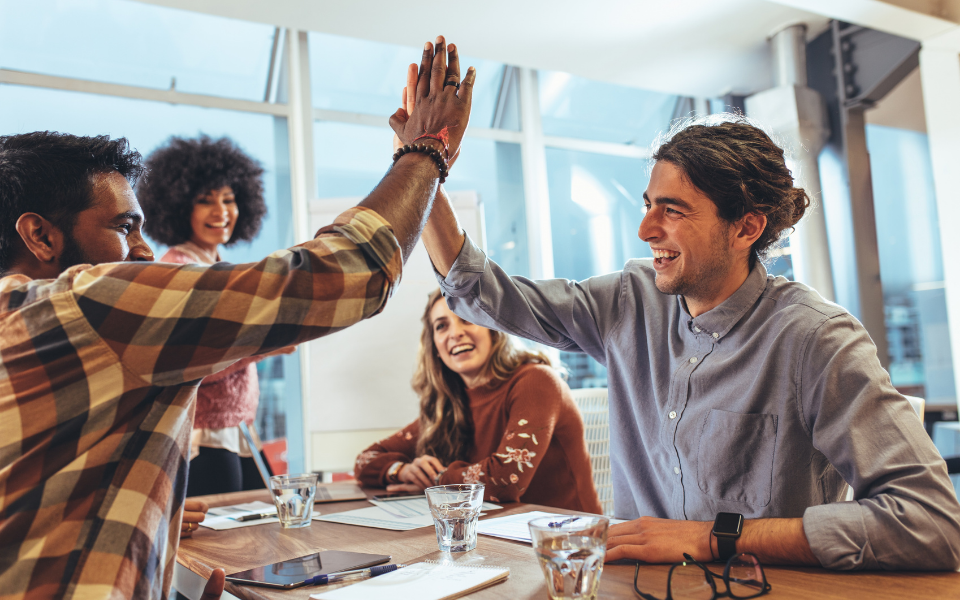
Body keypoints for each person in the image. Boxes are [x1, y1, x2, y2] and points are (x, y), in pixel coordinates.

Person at [0, 36, 473, 599]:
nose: (144, 251)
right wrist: (426, 149)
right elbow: (348, 270)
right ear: (40, 235)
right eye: (124, 228)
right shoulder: (86, 303)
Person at [415, 112, 960, 570]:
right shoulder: (629, 300)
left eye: (672, 210)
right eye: (649, 204)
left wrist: (715, 537)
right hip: (636, 585)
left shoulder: (816, 339)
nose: (645, 229)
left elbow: (933, 522)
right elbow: (479, 294)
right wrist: (426, 163)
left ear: (746, 228)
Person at [355, 289, 602, 513]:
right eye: (441, 326)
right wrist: (402, 471)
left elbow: (506, 480)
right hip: (494, 535)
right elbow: (365, 460)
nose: (455, 333)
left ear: (492, 328)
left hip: (568, 538)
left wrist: (435, 482)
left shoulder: (536, 381)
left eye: (466, 318)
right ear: (435, 348)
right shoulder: (447, 407)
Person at [137, 135, 279, 497]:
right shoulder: (179, 270)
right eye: (205, 201)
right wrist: (264, 346)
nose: (222, 211)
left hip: (239, 429)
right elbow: (188, 362)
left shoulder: (217, 267)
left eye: (228, 199)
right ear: (177, 207)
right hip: (204, 434)